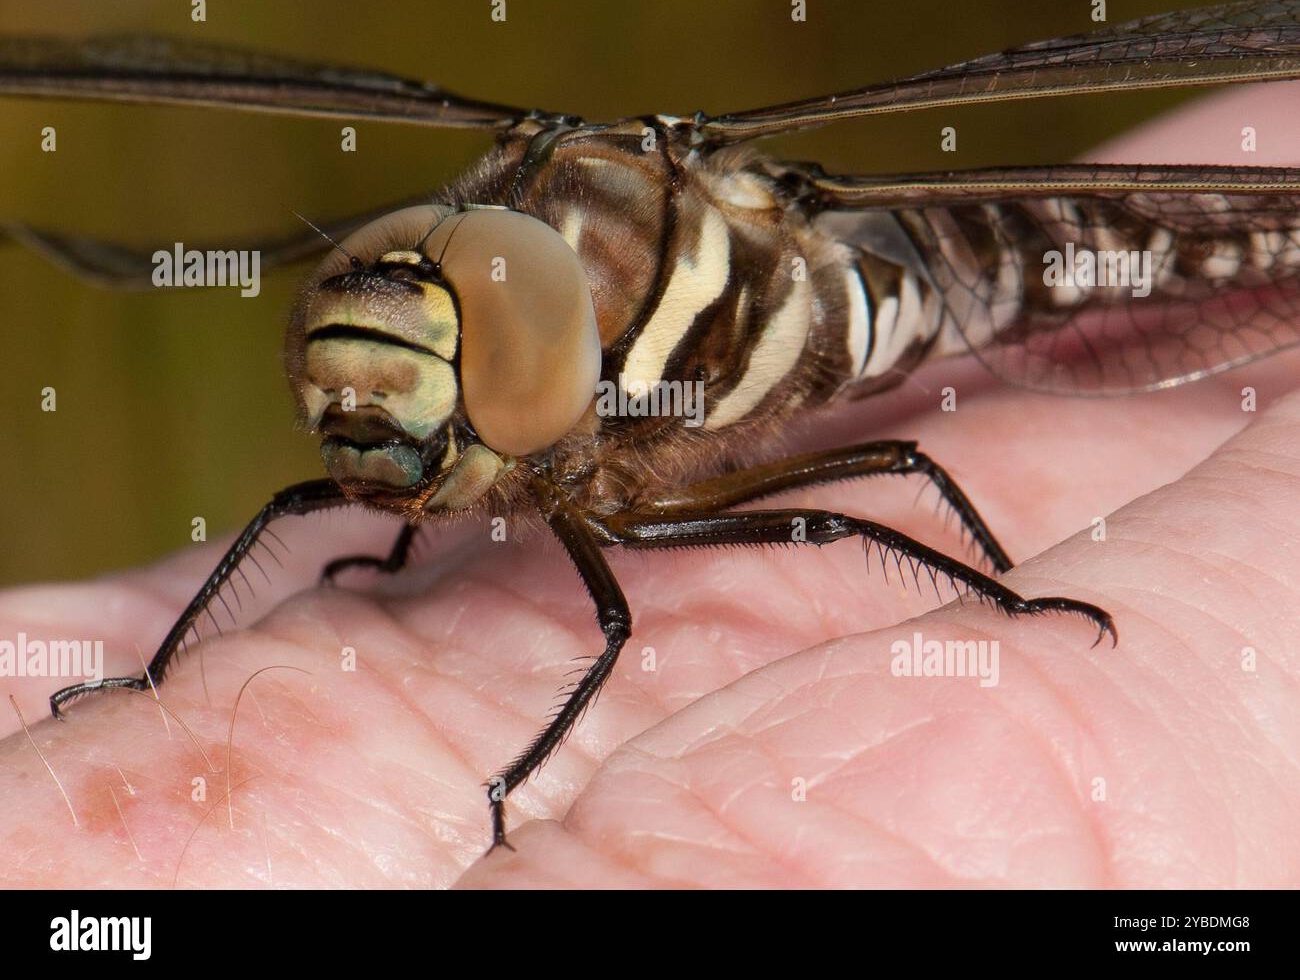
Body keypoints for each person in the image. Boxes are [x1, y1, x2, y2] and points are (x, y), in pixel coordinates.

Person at [2, 83, 1298, 889]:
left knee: (883, 474)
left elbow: (634, 615)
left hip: (1026, 262)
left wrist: (1012, 612)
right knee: (293, 510)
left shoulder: (625, 345)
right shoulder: (511, 362)